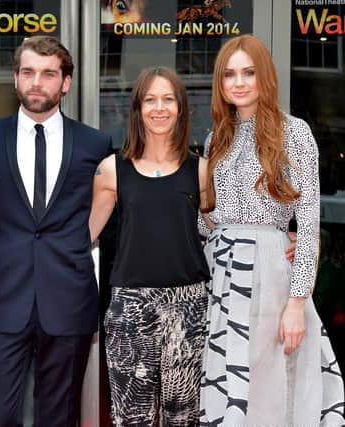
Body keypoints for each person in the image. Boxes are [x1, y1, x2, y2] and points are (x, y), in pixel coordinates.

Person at [0, 36, 112, 426]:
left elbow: (116, 213)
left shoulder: (95, 144)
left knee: (60, 417)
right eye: (28, 72)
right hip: (0, 300)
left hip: (69, 299)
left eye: (48, 74)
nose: (37, 82)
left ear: (65, 83)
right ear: (15, 78)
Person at [199, 34, 345, 426]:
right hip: (220, 271)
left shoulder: (293, 132)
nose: (239, 82)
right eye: (229, 74)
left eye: (248, 72)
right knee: (225, 382)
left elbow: (309, 220)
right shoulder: (217, 138)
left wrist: (297, 302)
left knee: (266, 385)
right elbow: (208, 217)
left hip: (269, 273)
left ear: (265, 75)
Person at [89, 66, 210, 426]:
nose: (159, 108)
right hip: (130, 307)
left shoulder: (201, 170)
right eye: (150, 99)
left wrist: (282, 238)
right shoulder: (111, 170)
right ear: (138, 109)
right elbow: (85, 234)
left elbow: (223, 229)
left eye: (168, 99)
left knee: (183, 418)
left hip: (188, 307)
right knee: (132, 417)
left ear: (181, 107)